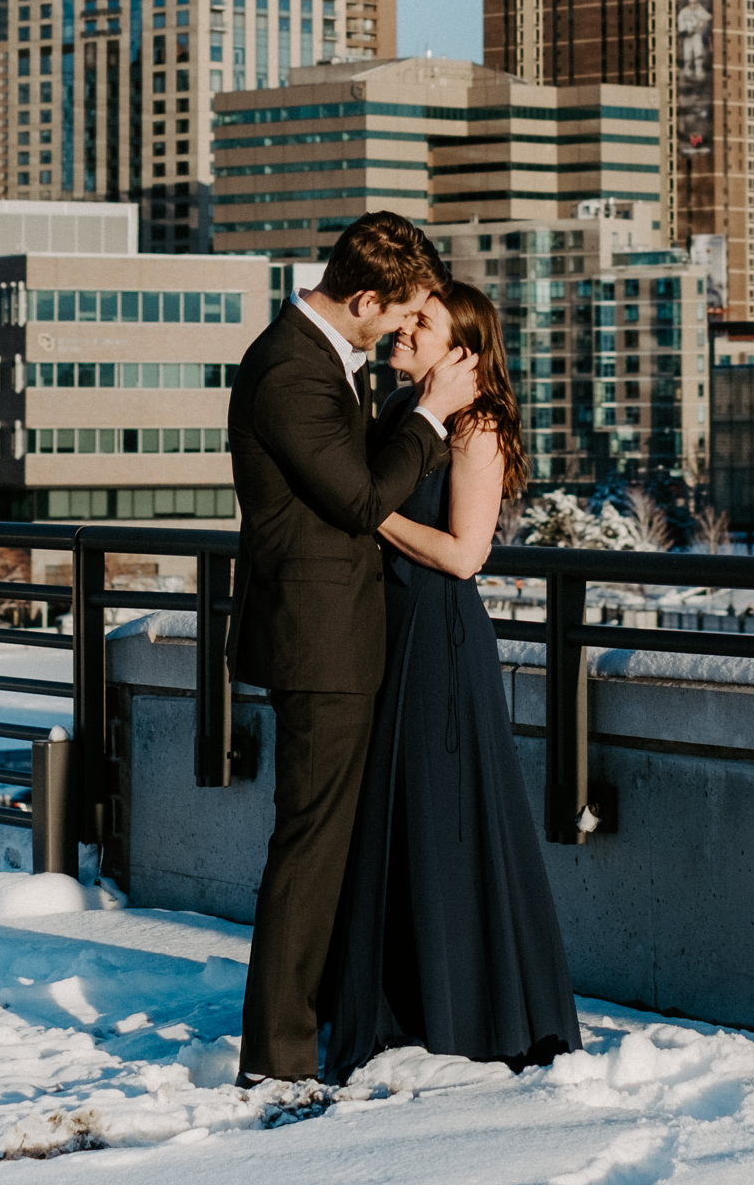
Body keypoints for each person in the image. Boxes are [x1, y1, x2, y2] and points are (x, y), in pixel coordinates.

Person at [226, 211, 480, 1088]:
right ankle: (278, 1059)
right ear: (363, 297)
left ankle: (312, 1026)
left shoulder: (323, 361)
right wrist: (434, 415)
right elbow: (360, 499)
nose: (401, 328)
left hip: (332, 636)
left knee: (325, 846)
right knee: (310, 849)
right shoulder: (292, 372)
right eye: (398, 312)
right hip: (317, 643)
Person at [323, 280, 581, 1082]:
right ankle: (401, 1001)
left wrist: (368, 513)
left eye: (421, 322)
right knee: (391, 820)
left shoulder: (478, 429)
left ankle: (471, 1009)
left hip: (437, 640)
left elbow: (467, 555)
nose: (403, 329)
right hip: (390, 634)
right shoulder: (404, 413)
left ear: (461, 350)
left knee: (448, 820)